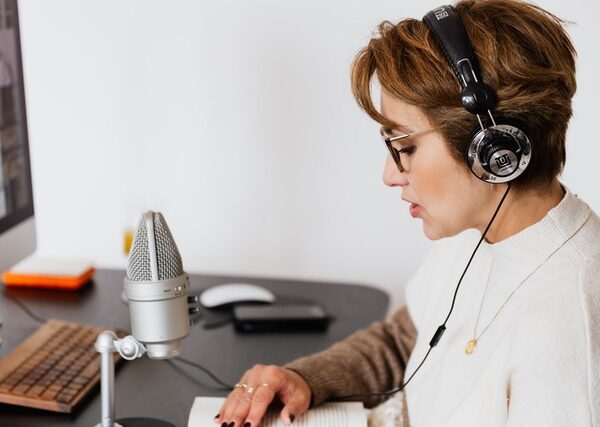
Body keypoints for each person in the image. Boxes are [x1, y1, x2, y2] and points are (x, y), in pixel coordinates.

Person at [214, 0, 600, 426]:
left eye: (405, 147)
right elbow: (404, 342)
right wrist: (304, 378)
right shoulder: (479, 231)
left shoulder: (568, 330)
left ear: (492, 149)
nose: (389, 175)